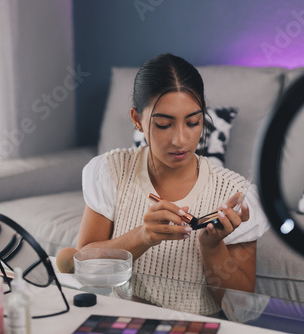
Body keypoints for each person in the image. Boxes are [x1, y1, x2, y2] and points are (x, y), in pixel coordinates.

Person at [56, 53, 269, 315]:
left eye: (193, 122)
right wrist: (142, 236)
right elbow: (86, 267)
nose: (180, 140)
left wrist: (213, 248)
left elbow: (243, 310)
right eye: (163, 124)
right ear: (137, 120)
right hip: (125, 322)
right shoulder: (111, 172)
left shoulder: (234, 194)